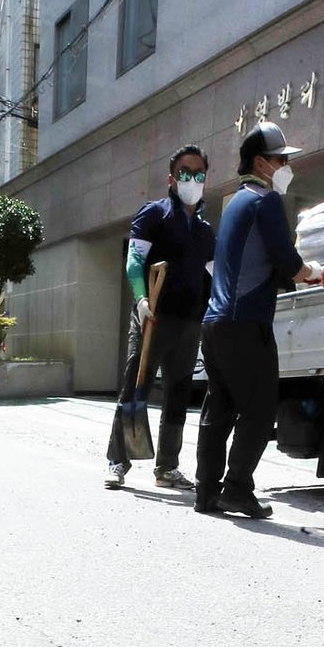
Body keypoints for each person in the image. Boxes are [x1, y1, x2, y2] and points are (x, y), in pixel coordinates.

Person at [195, 121, 324, 520]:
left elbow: (261, 264)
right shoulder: (265, 202)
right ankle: (236, 489)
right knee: (261, 410)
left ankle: (206, 491)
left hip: (215, 323)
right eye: (281, 160)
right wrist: (318, 273)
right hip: (245, 323)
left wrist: (301, 274)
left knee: (219, 409)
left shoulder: (235, 204)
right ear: (261, 163)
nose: (286, 166)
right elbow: (287, 261)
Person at [105, 145, 215, 493]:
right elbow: (135, 261)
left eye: (198, 174)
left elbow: (215, 276)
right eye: (185, 173)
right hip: (152, 317)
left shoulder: (205, 232)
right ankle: (118, 461)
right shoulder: (154, 214)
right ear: (171, 178)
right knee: (134, 386)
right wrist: (140, 300)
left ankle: (167, 467)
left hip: (189, 323)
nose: (192, 179)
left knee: (178, 395)